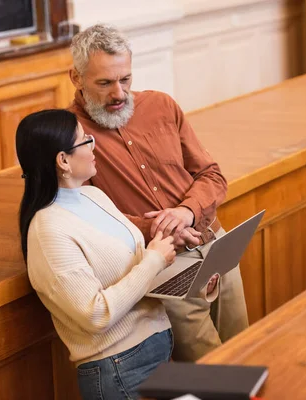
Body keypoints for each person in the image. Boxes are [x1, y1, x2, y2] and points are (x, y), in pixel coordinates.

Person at [66, 24, 249, 361]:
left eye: (125, 79)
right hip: (162, 264)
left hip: (216, 244)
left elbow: (211, 174)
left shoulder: (162, 106)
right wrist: (160, 229)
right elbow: (86, 218)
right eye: (104, 83)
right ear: (76, 78)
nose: (119, 93)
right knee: (210, 371)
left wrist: (186, 212)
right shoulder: (68, 135)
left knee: (245, 354)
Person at [16, 109, 217, 399]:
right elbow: (95, 315)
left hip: (156, 348)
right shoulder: (49, 231)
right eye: (85, 140)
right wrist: (155, 259)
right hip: (120, 368)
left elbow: (135, 273)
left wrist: (191, 282)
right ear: (63, 160)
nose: (93, 143)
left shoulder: (93, 196)